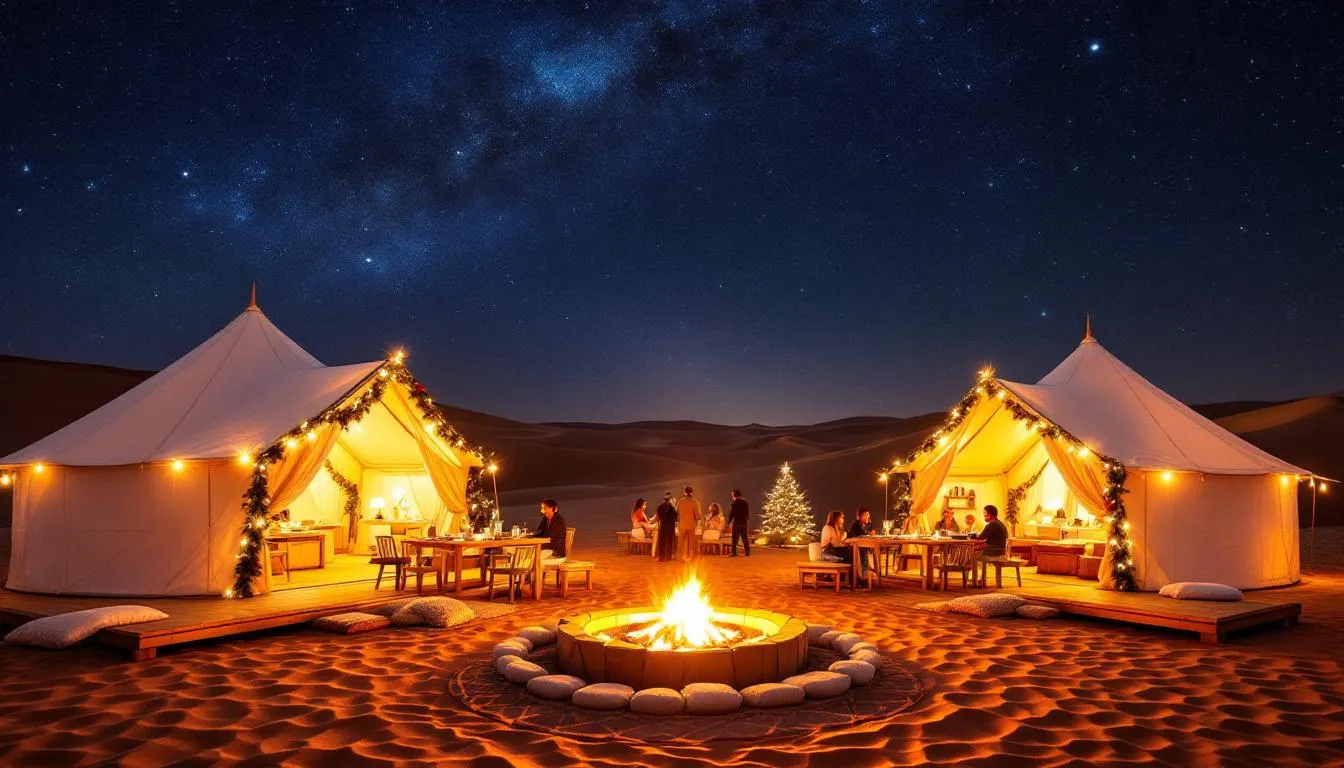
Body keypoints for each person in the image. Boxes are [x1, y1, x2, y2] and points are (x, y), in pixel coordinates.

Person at [676, 485, 702, 561]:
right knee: (691, 542)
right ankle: (691, 557)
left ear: (684, 492)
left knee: (680, 542)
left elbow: (677, 513)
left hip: (682, 524)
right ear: (692, 492)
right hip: (691, 524)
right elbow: (697, 516)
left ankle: (679, 557)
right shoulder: (695, 502)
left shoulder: (680, 501)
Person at [848, 507, 875, 576]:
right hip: (855, 546)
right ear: (859, 516)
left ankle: (869, 571)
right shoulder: (855, 524)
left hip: (866, 545)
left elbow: (871, 533)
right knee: (864, 551)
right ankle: (863, 574)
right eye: (864, 515)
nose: (867, 517)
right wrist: (867, 534)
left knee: (872, 549)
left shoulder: (869, 524)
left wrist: (872, 533)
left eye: (867, 514)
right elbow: (852, 536)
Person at [654, 492, 679, 562]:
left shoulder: (660, 506)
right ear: (670, 499)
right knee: (669, 543)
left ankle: (661, 557)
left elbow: (658, 517)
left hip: (662, 526)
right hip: (670, 527)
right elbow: (676, 517)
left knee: (662, 542)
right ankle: (668, 557)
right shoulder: (671, 508)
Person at [728, 489, 751, 556]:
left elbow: (732, 514)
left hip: (737, 523)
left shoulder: (734, 504)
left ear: (734, 495)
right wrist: (746, 519)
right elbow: (747, 512)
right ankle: (747, 552)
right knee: (744, 537)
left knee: (734, 538)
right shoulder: (745, 503)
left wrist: (728, 523)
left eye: (732, 495)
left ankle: (734, 552)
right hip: (744, 522)